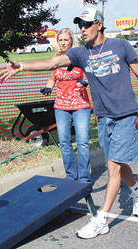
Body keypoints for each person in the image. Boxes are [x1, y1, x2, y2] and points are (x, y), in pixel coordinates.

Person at [0, 7, 138, 239]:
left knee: (113, 167)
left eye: (86, 24)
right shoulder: (81, 53)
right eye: (80, 25)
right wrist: (21, 66)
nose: (82, 29)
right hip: (103, 117)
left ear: (99, 24)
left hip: (125, 115)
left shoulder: (121, 46)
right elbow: (53, 63)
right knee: (118, 164)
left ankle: (102, 219)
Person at [40, 28, 92, 183]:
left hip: (80, 105)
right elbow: (52, 79)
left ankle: (84, 177)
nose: (63, 43)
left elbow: (90, 77)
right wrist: (48, 87)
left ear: (72, 41)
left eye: (66, 40)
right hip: (61, 106)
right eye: (60, 40)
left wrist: (85, 82)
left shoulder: (80, 57)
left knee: (82, 142)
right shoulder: (55, 59)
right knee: (64, 142)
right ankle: (70, 176)